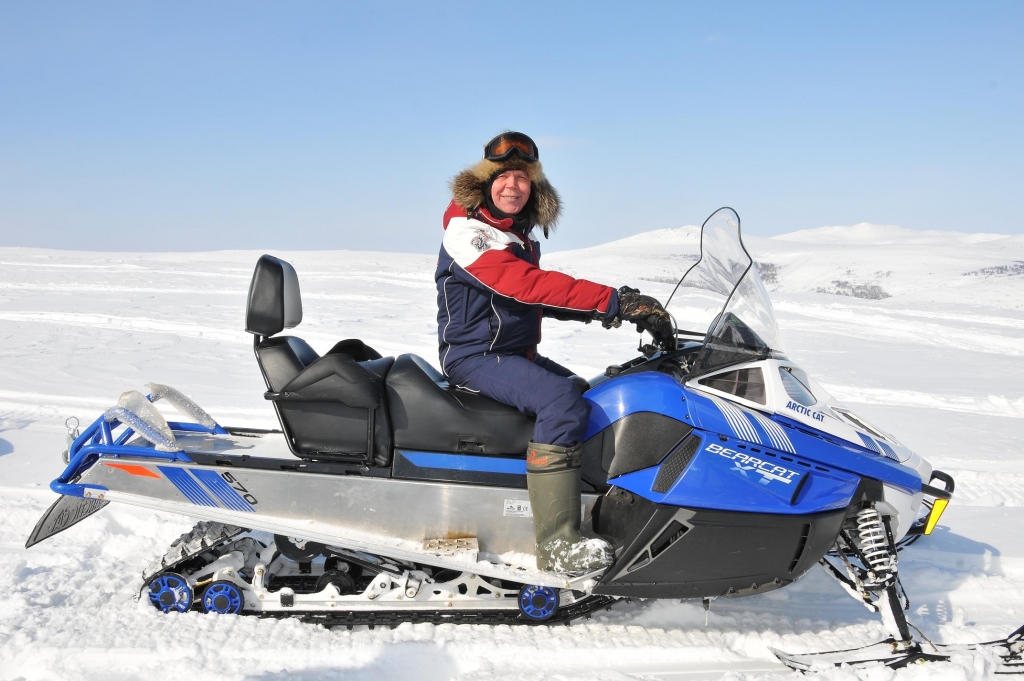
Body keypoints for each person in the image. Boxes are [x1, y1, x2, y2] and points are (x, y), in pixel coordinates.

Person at [435, 132, 672, 574]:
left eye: (522, 177)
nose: (512, 185)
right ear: (485, 183)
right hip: (474, 357)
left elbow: (527, 300)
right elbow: (523, 285)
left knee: (582, 391)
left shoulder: (510, 234)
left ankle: (588, 503)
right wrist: (612, 300)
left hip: (510, 351)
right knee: (560, 403)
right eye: (502, 175)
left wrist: (613, 316)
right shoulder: (469, 233)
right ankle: (557, 545)